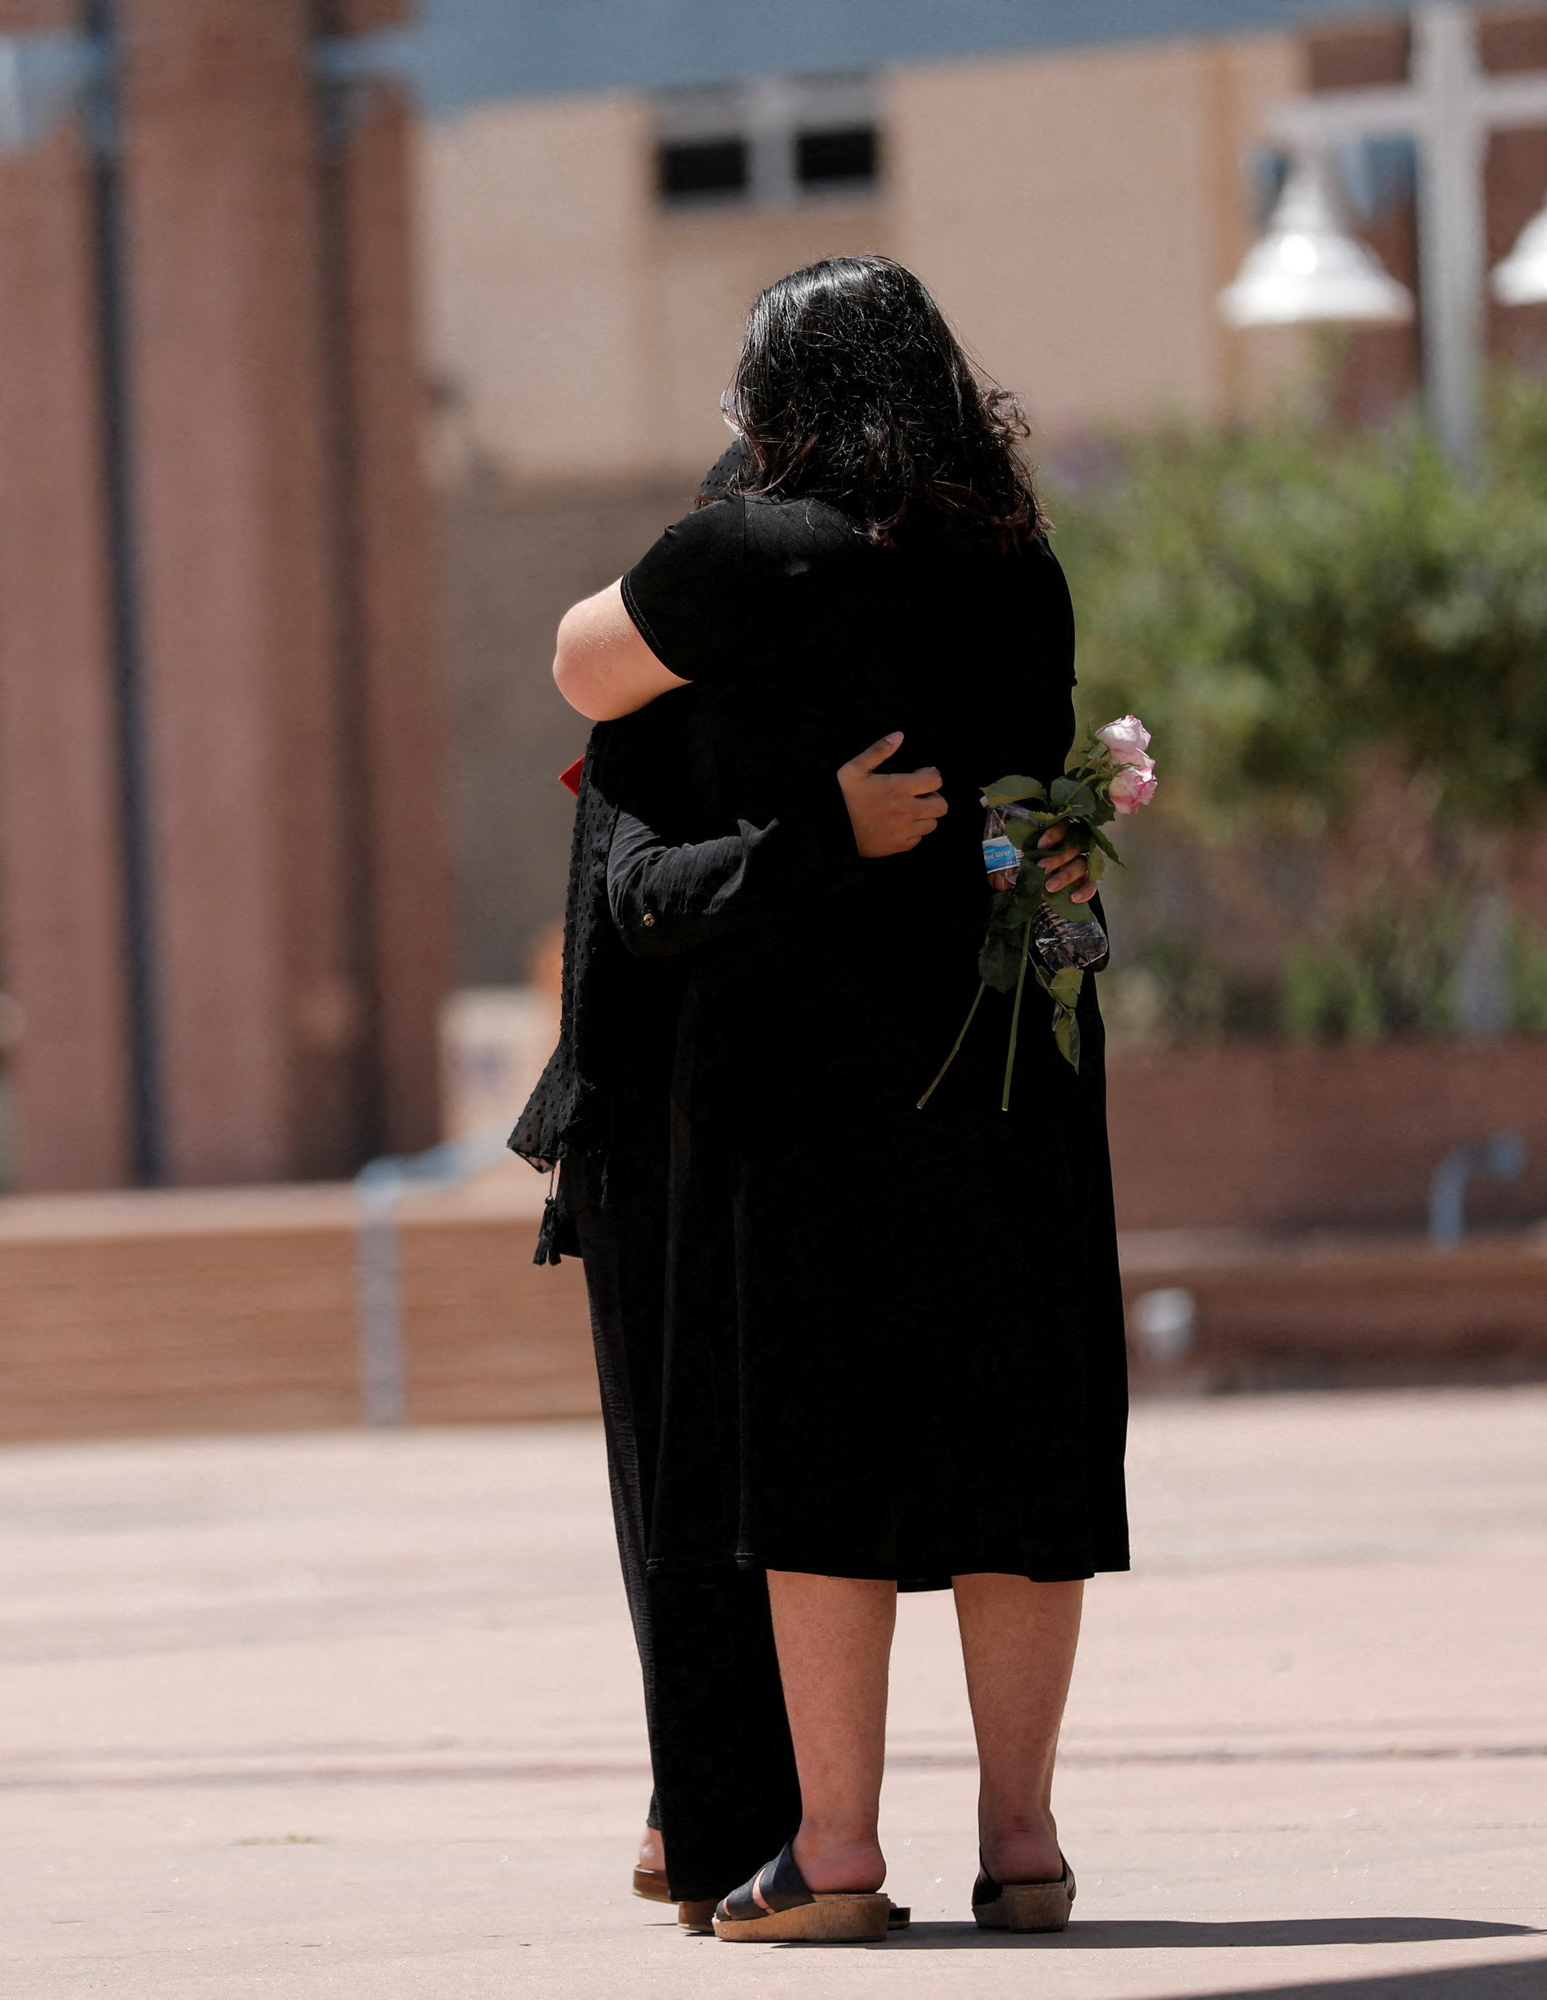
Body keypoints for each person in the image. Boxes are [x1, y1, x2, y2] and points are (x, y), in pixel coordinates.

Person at [513, 256, 1128, 1945]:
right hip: (1009, 1046)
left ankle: (835, 1853)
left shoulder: (750, 552)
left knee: (820, 1442)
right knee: (1016, 1444)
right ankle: (1024, 1842)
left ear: (782, 406)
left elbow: (580, 669)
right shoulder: (1024, 567)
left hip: (814, 1066)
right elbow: (1030, 809)